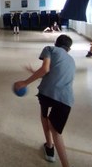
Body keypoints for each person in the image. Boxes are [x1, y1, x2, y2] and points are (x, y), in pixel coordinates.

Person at [14, 35, 75, 167]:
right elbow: (54, 75)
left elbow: (45, 69)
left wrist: (25, 82)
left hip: (47, 94)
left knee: (44, 117)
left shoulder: (50, 49)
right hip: (66, 99)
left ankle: (49, 147)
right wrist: (36, 72)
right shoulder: (71, 60)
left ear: (55, 43)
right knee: (56, 132)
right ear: (69, 49)